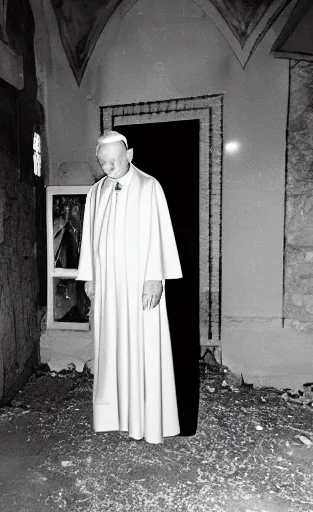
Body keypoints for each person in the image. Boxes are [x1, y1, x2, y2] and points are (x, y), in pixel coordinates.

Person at [76, 130, 183, 444]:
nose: (109, 167)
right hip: (109, 287)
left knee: (143, 347)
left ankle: (146, 422)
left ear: (130, 155)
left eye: (114, 160)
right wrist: (90, 277)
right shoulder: (96, 192)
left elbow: (160, 234)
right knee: (110, 349)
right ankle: (116, 416)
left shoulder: (150, 186)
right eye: (103, 162)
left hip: (140, 287)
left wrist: (155, 278)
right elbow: (89, 239)